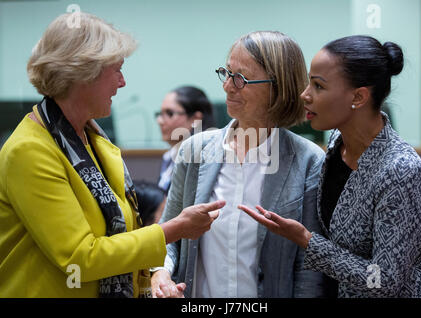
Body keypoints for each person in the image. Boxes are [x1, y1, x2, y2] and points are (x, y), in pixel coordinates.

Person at [0, 12, 224, 298]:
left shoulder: (92, 140)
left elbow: (120, 235)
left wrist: (152, 281)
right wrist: (175, 229)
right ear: (83, 72)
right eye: (117, 70)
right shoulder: (29, 151)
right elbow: (81, 259)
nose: (122, 82)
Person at [239, 35, 421, 298]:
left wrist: (306, 241)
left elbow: (383, 280)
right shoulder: (336, 143)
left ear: (358, 97)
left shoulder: (401, 170)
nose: (305, 95)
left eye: (318, 86)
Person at [151, 31, 329, 298]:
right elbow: (168, 237)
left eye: (241, 78)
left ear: (278, 87)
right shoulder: (194, 151)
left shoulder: (309, 160)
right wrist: (161, 272)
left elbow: (309, 268)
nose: (227, 86)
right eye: (227, 73)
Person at [156, 86, 214, 193]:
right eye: (160, 114)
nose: (160, 120)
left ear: (195, 119)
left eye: (169, 113)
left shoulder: (203, 161)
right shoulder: (169, 156)